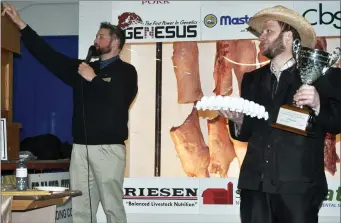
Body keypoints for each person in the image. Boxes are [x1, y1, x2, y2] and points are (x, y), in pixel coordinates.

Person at [2, 2, 138, 223]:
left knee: (112, 207)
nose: (95, 40)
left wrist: (92, 79)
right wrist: (21, 25)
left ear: (115, 42)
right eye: (95, 36)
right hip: (80, 149)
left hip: (108, 150)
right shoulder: (84, 68)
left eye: (101, 36)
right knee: (81, 208)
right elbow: (49, 56)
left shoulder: (126, 72)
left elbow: (118, 100)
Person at [218, 5, 340, 223]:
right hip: (254, 186)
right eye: (262, 32)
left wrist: (318, 103)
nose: (261, 37)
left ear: (288, 37)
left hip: (298, 189)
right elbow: (246, 134)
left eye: (269, 31)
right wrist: (237, 120)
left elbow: (336, 123)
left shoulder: (322, 76)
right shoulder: (251, 80)